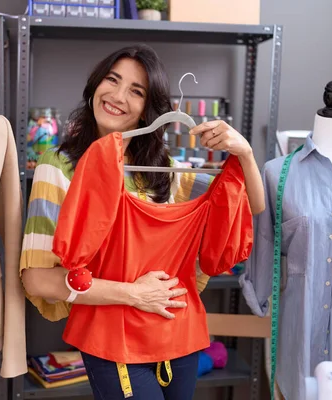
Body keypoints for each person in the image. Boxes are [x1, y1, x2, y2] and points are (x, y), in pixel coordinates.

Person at [20, 44, 265, 399]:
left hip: (178, 330)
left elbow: (250, 205)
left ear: (148, 109)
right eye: (112, 80)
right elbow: (38, 279)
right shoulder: (58, 167)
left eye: (136, 91)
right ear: (95, 83)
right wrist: (134, 294)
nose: (118, 96)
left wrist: (245, 153)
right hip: (112, 337)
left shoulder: (163, 173)